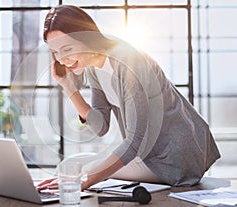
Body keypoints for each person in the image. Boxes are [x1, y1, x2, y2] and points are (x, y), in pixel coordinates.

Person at [37, 5, 220, 191]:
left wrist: (87, 179)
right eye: (56, 52)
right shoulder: (93, 69)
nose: (61, 59)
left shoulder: (129, 61)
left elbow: (135, 139)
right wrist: (70, 89)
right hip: (147, 156)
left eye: (67, 48)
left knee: (76, 171)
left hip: (174, 157)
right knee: (71, 165)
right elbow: (101, 127)